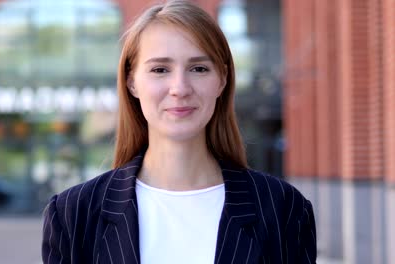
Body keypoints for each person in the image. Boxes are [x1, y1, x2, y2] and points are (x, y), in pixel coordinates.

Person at [42, 1, 317, 263]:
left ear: (222, 79)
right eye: (160, 69)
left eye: (198, 68)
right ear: (131, 82)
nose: (180, 88)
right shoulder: (73, 214)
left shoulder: (283, 209)